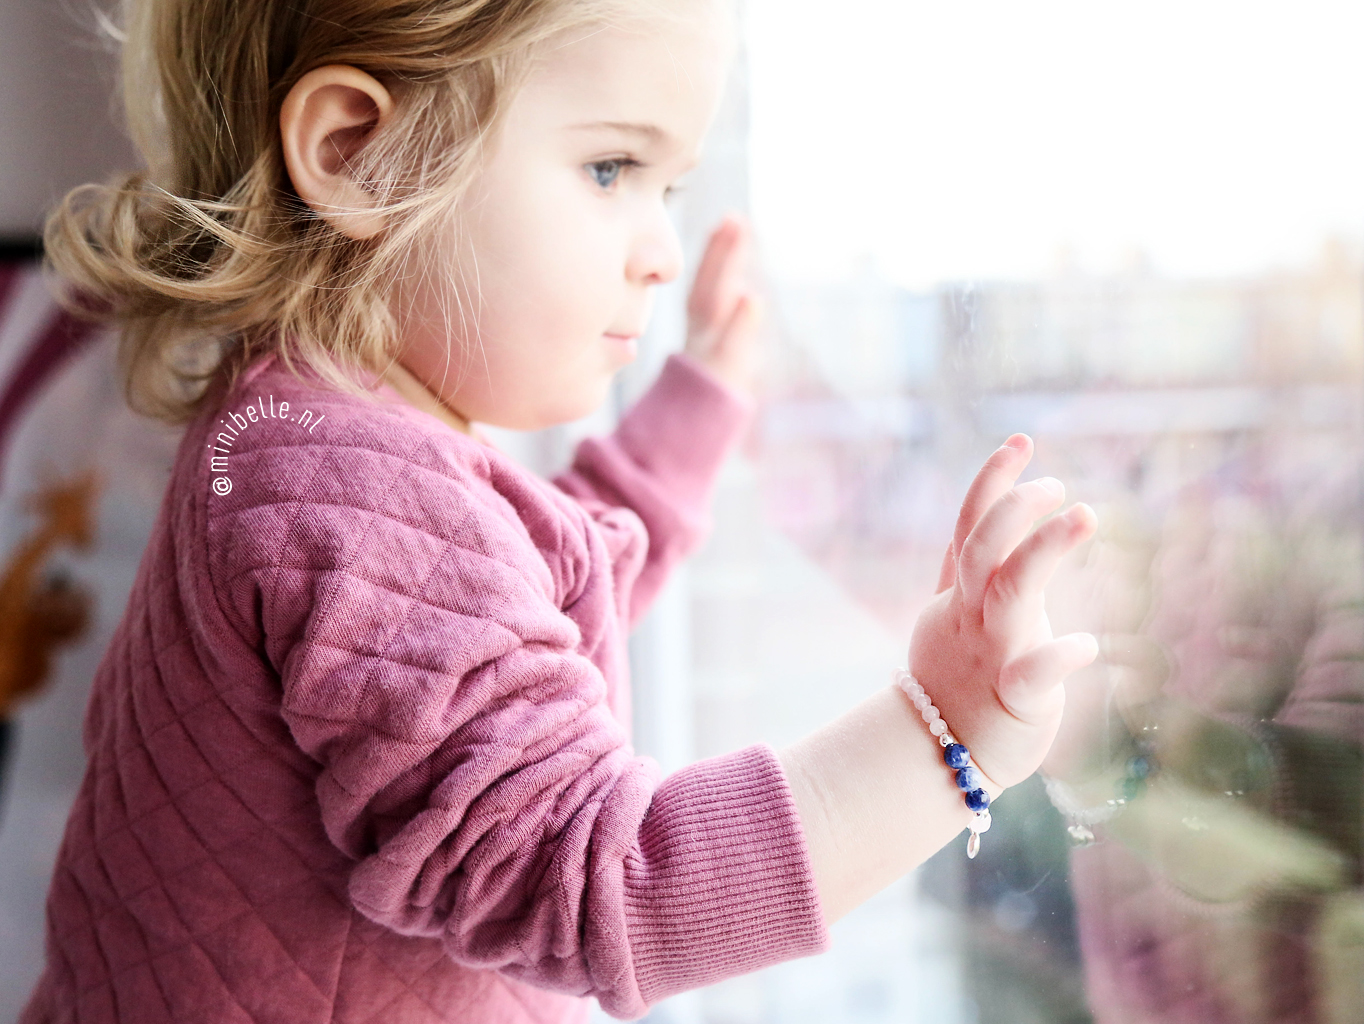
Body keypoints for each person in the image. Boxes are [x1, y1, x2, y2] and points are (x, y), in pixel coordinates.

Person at [21, 0, 1098, 1021]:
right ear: (357, 153)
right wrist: (942, 741)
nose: (660, 251)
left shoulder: (302, 430)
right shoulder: (335, 482)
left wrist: (696, 403)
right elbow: (606, 882)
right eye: (609, 168)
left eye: (666, 189)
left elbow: (517, 603)